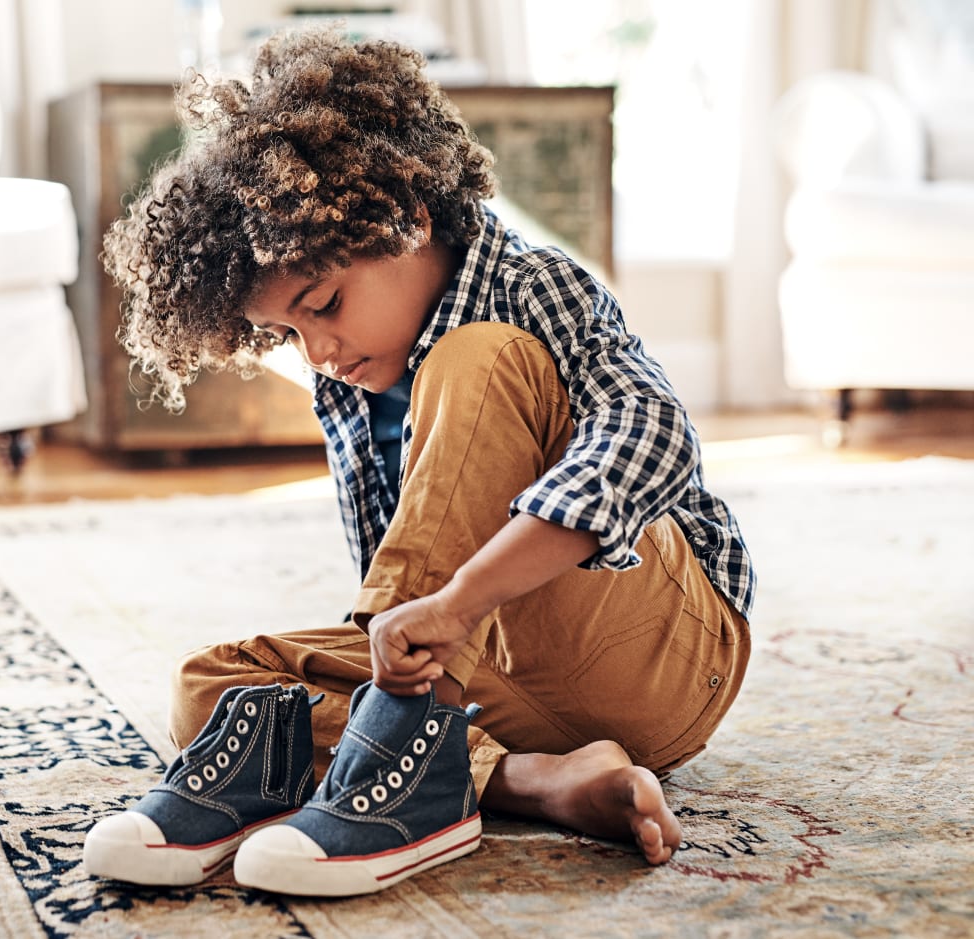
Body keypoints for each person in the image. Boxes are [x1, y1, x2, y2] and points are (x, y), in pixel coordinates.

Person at [82, 26, 754, 898]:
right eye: (288, 332)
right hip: (492, 680)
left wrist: (458, 601)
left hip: (658, 649)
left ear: (407, 215)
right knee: (215, 688)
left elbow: (656, 435)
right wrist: (421, 630)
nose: (317, 350)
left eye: (323, 304)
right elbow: (411, 605)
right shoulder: (350, 387)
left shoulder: (527, 287)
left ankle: (419, 750)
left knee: (475, 361)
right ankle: (521, 779)